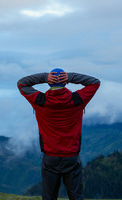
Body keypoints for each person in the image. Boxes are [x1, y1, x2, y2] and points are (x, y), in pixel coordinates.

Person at [17, 68, 100, 200]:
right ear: (65, 82)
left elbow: (22, 83)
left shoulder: (40, 101)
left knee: (49, 197)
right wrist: (71, 76)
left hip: (50, 158)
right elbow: (94, 82)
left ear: (49, 83)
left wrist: (44, 77)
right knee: (76, 196)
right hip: (71, 157)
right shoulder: (77, 100)